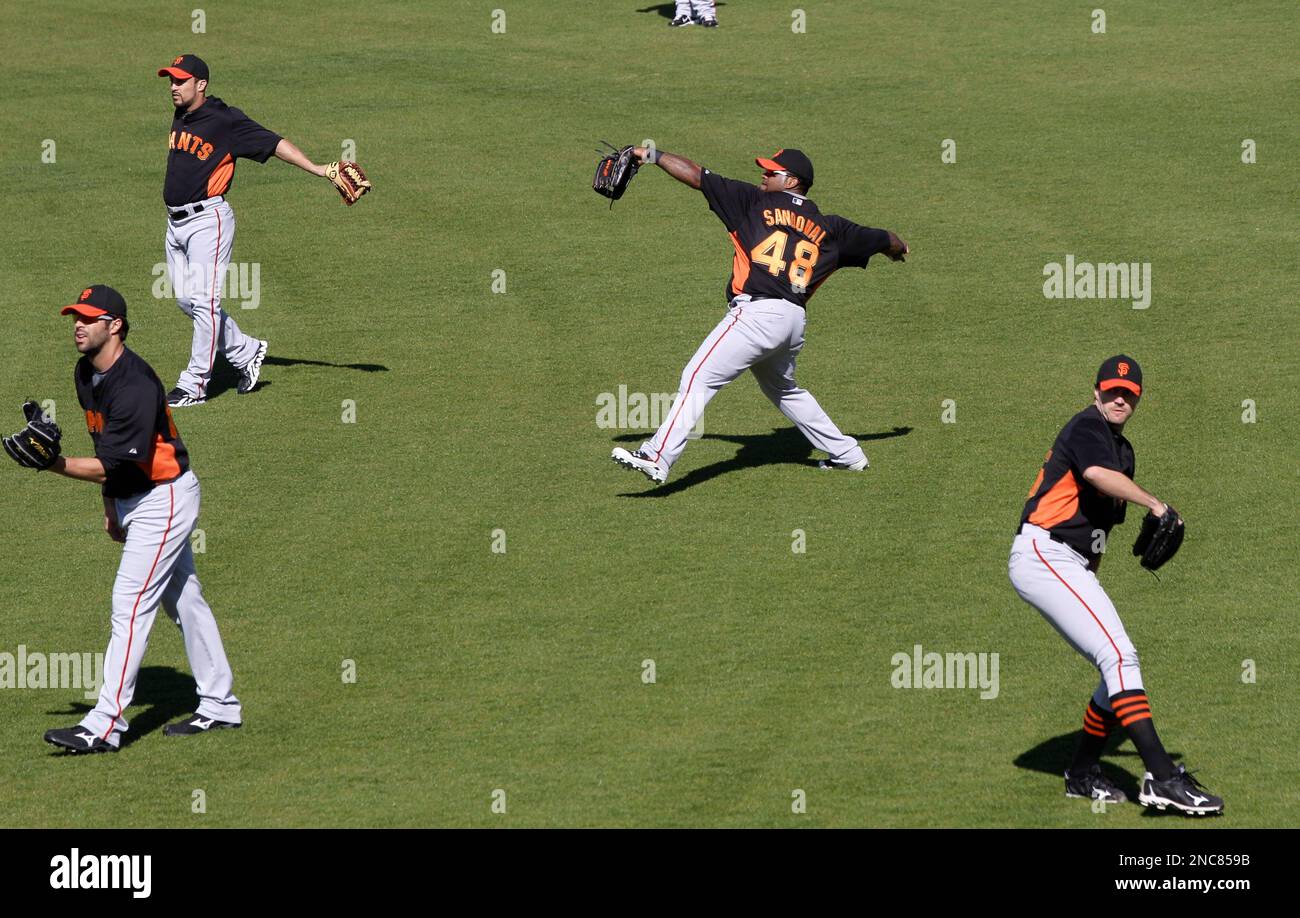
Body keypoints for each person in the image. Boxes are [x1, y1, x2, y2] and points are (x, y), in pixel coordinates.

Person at [6, 285, 242, 753]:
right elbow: (105, 447)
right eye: (75, 316)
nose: (78, 324)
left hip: (164, 499)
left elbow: (117, 463)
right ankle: (220, 704)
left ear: (114, 326)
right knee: (185, 600)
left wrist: (52, 464)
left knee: (129, 604)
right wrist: (111, 505)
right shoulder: (86, 372)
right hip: (136, 497)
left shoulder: (134, 384)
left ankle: (104, 725)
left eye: (89, 319)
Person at [610, 146, 908, 484]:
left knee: (698, 377)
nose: (763, 176)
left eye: (771, 172)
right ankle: (848, 454)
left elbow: (696, 175)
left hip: (757, 314)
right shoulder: (833, 228)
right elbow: (888, 238)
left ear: (792, 181)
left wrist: (649, 154)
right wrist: (898, 251)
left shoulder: (752, 202)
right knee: (784, 389)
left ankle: (657, 455)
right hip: (793, 323)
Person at [1008, 355, 1223, 815]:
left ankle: (1082, 774)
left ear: (1138, 400)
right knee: (1120, 656)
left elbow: (1101, 528)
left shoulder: (1122, 452)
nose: (1119, 398)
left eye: (1128, 394)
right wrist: (1156, 504)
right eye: (1111, 391)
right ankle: (1163, 778)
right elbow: (1094, 475)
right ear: (1096, 393)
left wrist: (1092, 578)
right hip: (1044, 553)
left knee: (1115, 667)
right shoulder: (1087, 426)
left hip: (1069, 564)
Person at [158, 53, 339, 406]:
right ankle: (246, 352)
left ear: (201, 84)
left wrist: (317, 168)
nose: (173, 87)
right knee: (186, 300)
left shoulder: (225, 120)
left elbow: (273, 143)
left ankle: (194, 385)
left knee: (205, 303)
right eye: (171, 80)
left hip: (207, 222)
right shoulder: (182, 112)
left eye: (180, 80)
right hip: (174, 224)